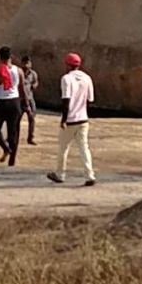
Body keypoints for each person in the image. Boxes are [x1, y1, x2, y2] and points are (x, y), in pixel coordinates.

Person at [48, 52, 96, 186]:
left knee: (63, 148)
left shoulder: (66, 79)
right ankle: (89, 175)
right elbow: (90, 100)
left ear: (68, 65)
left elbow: (66, 100)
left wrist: (64, 119)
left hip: (70, 120)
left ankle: (60, 174)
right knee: (84, 148)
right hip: (83, 119)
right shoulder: (87, 78)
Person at [0, 47, 25, 166]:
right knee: (13, 131)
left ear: (0, 56)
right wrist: (25, 103)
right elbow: (22, 89)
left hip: (1, 102)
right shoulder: (19, 70)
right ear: (11, 56)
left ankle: (6, 148)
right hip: (15, 102)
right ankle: (12, 159)